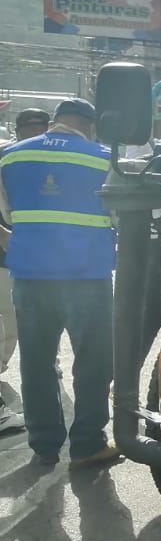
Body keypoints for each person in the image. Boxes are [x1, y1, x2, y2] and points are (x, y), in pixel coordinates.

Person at [0, 98, 119, 468]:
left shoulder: (10, 157)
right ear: (91, 125)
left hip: (30, 276)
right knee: (93, 362)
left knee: (36, 361)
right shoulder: (104, 158)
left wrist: (16, 241)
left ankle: (45, 444)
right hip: (87, 276)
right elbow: (120, 216)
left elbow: (5, 214)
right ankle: (87, 445)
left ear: (55, 122)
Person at [0, 109, 52, 433]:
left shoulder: (52, 162)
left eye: (40, 128)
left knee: (19, 323)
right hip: (7, 255)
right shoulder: (6, 160)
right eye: (29, 128)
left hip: (33, 258)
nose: (35, 134)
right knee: (6, 324)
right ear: (17, 130)